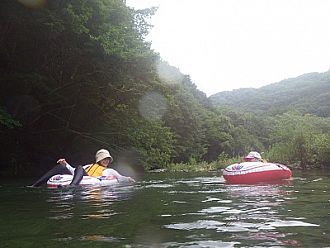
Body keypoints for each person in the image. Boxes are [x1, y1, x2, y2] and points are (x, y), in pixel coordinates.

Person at [31, 149, 135, 187]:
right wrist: (65, 164)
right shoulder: (88, 166)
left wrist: (128, 179)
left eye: (108, 159)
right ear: (99, 159)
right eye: (104, 159)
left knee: (80, 167)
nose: (107, 161)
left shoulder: (109, 171)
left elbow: (120, 178)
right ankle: (35, 185)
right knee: (60, 167)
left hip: (94, 180)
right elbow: (75, 171)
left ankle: (72, 186)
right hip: (82, 178)